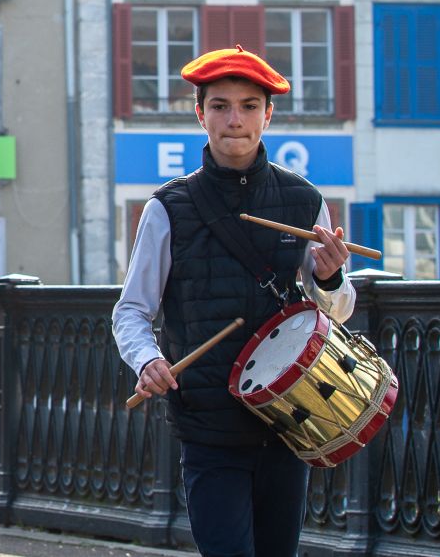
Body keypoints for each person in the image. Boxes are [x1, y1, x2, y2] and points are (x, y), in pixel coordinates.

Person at [112, 46, 355, 557]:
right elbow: (132, 310)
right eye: (220, 106)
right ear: (200, 114)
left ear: (268, 114)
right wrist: (148, 359)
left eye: (249, 106)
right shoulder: (167, 207)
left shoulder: (305, 200)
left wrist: (331, 280)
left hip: (288, 418)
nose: (235, 120)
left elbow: (335, 312)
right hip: (208, 424)